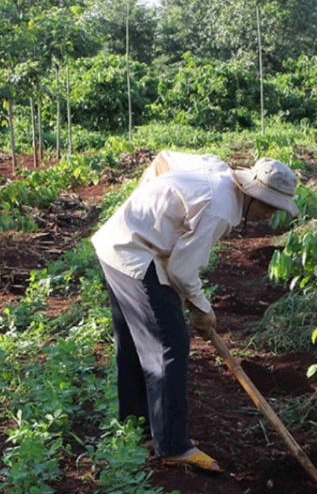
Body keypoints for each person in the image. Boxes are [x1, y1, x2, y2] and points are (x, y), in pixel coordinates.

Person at [91, 152, 300, 472]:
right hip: (134, 253)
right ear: (253, 195)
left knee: (133, 342)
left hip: (118, 242)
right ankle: (173, 446)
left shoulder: (216, 168)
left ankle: (137, 428)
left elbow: (164, 158)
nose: (268, 216)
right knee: (170, 344)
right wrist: (202, 308)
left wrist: (152, 213)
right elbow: (182, 269)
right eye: (269, 207)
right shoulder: (220, 210)